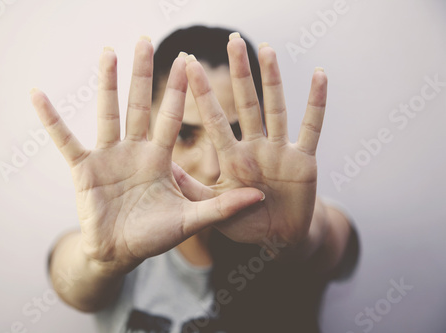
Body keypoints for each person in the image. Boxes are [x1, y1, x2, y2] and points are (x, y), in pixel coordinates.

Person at [30, 25, 359, 333]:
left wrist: (295, 242)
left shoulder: (298, 213)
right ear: (144, 133)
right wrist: (102, 262)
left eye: (233, 134)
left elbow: (326, 239)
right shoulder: (115, 231)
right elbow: (74, 282)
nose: (212, 166)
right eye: (184, 135)